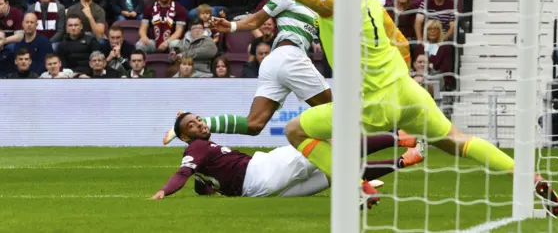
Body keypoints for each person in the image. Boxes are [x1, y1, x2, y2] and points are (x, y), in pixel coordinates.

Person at [233, 0, 558, 214]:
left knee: (295, 130)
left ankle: (354, 186)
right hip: (406, 92)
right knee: (456, 140)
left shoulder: (334, 1)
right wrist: (399, 76)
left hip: (372, 103)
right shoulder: (370, 1)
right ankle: (528, 176)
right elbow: (402, 43)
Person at [163, 0, 332, 143]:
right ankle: (345, 169)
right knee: (337, 115)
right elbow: (257, 19)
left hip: (275, 63)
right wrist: (232, 25)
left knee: (254, 125)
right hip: (290, 57)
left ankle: (195, 121)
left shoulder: (322, 2)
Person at [153, 112, 423, 200]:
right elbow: (182, 174)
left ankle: (404, 160)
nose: (200, 124)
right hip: (264, 170)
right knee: (328, 148)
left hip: (262, 191)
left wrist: (207, 189)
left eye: (199, 119)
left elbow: (203, 186)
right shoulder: (197, 148)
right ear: (186, 137)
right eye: (192, 125)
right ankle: (399, 137)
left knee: (335, 175)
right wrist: (163, 192)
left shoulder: (200, 152)